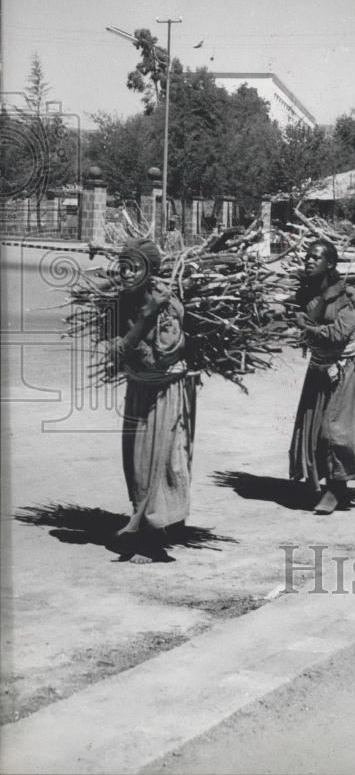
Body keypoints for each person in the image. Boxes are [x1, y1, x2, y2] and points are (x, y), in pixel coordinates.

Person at [109, 239, 197, 562]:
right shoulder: (123, 302)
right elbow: (115, 352)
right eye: (123, 265)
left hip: (164, 392)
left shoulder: (169, 307)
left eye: (134, 266)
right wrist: (144, 316)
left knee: (160, 460)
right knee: (137, 461)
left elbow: (159, 357)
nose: (126, 272)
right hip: (138, 391)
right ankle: (154, 524)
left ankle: (150, 537)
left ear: (149, 271)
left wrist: (144, 321)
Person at [289, 239, 355, 515]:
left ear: (331, 264)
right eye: (307, 256)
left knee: (335, 430)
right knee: (314, 429)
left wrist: (308, 327)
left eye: (315, 257)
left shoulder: (346, 297)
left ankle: (338, 489)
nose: (308, 261)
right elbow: (303, 318)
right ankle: (326, 483)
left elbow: (337, 335)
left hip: (347, 367)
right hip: (320, 366)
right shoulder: (307, 293)